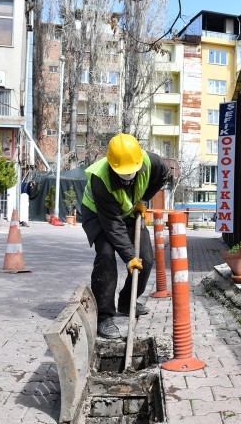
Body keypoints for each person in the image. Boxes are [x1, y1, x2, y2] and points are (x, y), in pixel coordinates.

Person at [81, 133, 168, 338]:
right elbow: (113, 226)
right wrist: (129, 256)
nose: (128, 176)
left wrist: (144, 199)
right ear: (112, 165)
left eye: (132, 172)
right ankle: (103, 316)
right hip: (99, 214)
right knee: (106, 255)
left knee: (145, 259)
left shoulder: (152, 162)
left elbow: (162, 176)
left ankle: (127, 302)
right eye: (123, 173)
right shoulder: (100, 179)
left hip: (130, 210)